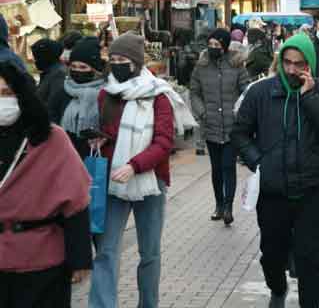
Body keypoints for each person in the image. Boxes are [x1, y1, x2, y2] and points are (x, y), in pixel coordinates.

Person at [232, 33, 319, 308]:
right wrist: (258, 161)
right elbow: (239, 133)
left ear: (310, 64)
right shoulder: (260, 92)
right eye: (287, 62)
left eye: (300, 64)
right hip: (272, 191)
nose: (292, 69)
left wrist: (309, 98)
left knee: (310, 259)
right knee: (271, 254)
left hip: (310, 190)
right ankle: (278, 287)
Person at [89, 32, 194, 308]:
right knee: (106, 250)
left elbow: (163, 142)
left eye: (122, 59)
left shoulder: (158, 95)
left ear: (135, 62)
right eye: (112, 59)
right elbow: (110, 131)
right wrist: (101, 138)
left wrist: (134, 166)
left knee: (149, 252)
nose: (117, 64)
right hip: (114, 179)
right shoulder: (106, 93)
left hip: (149, 179)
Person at [0, 61, 92, 308]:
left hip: (41, 261)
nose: (3, 101)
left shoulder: (51, 139)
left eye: (8, 93)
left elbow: (76, 202)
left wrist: (80, 259)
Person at [190, 29, 250, 225]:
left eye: (218, 45)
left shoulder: (236, 65)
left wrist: (239, 112)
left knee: (228, 166)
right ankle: (218, 204)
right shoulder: (201, 66)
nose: (213, 48)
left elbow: (245, 91)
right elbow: (195, 92)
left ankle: (228, 206)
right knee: (216, 168)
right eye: (211, 44)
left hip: (232, 126)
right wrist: (203, 113)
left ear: (225, 46)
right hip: (211, 125)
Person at [48, 37, 106, 158]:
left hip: (94, 155)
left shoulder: (106, 93)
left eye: (83, 67)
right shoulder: (63, 90)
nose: (77, 70)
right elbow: (51, 118)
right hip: (64, 154)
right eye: (73, 67)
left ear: (95, 70)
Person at [32, 38, 66, 104]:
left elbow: (53, 104)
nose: (34, 60)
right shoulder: (50, 71)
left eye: (36, 57)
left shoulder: (58, 75)